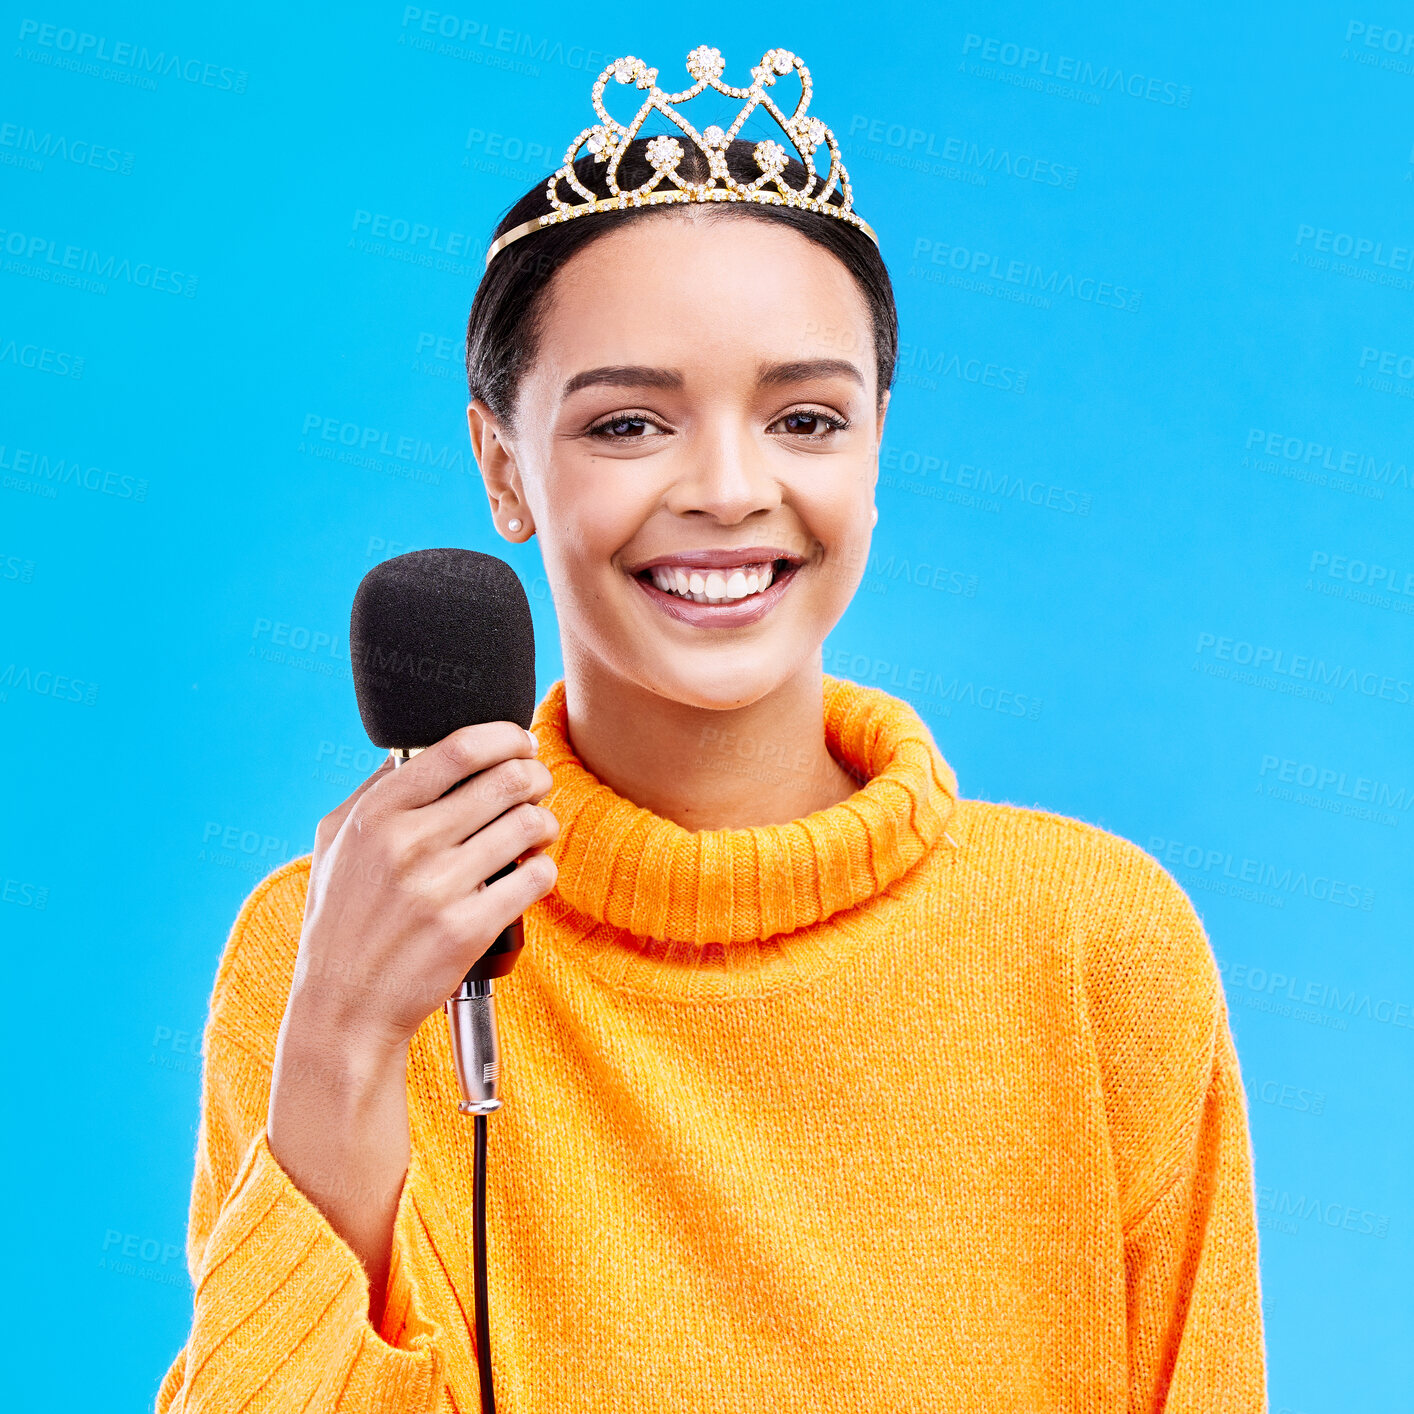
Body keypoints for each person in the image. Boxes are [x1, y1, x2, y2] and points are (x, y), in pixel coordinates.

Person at [156, 46, 1266, 1414]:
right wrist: (336, 1036)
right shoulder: (328, 947)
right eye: (630, 422)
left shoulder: (1096, 945)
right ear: (504, 463)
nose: (730, 489)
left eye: (804, 417)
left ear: (872, 456)